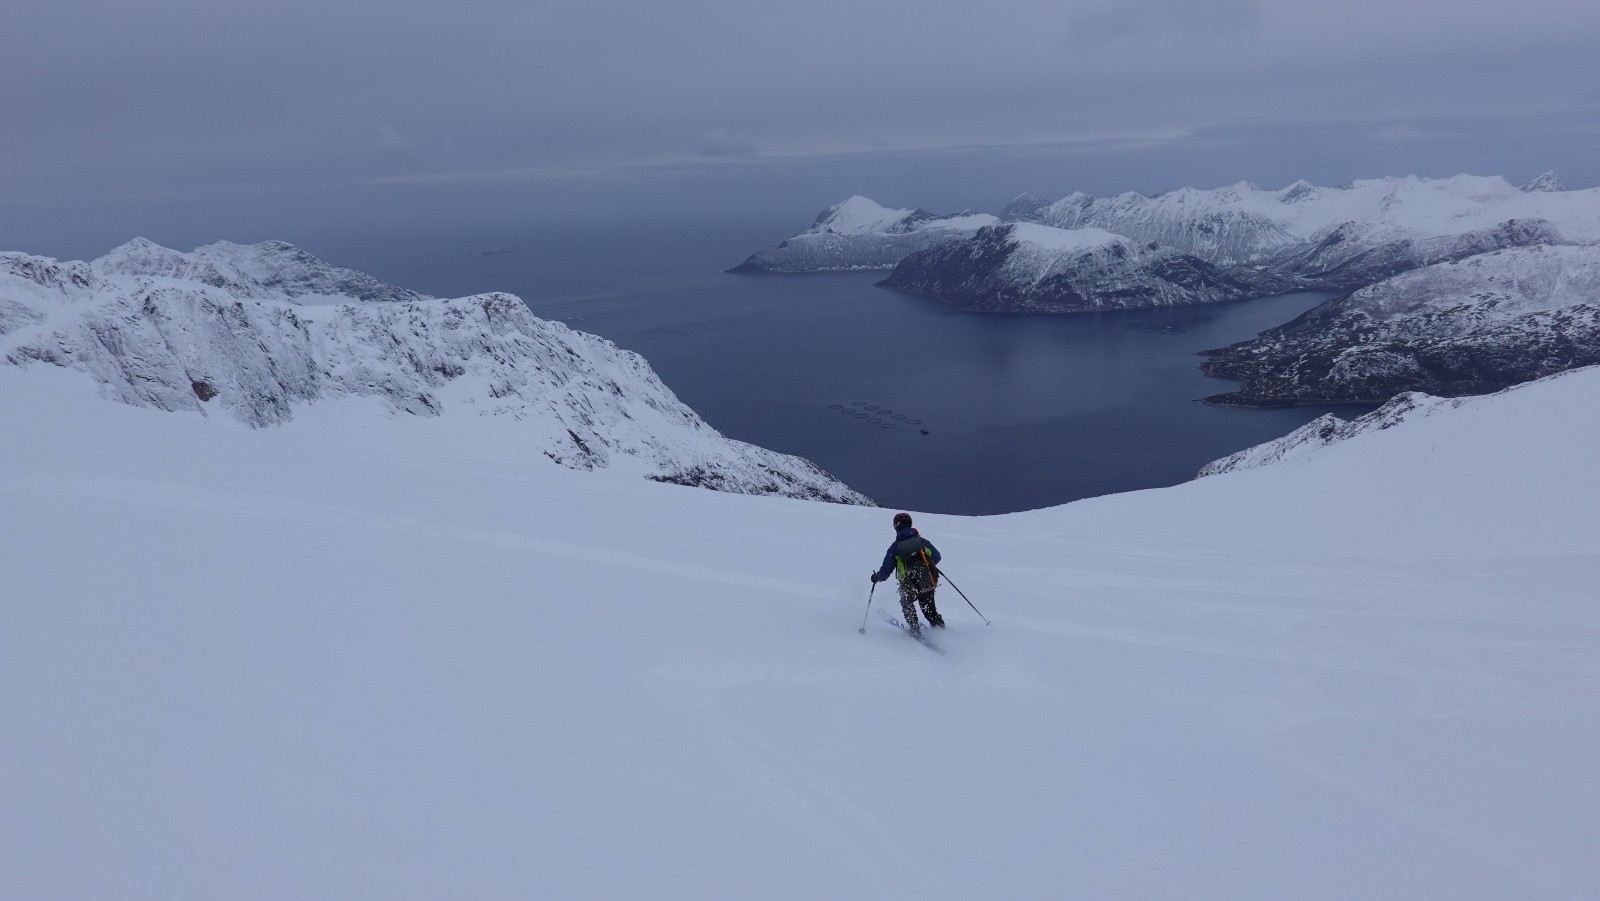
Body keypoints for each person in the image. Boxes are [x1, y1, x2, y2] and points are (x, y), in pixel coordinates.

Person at [870, 512, 945, 635]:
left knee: (907, 604)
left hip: (908, 584)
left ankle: (914, 629)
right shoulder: (922, 541)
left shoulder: (895, 548)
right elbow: (937, 557)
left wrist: (875, 577)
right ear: (910, 524)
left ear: (896, 527)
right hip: (927, 581)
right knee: (929, 610)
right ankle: (940, 630)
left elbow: (885, 572)